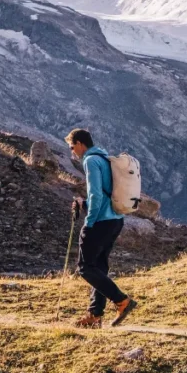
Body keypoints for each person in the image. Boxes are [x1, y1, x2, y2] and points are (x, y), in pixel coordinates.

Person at [65, 129, 137, 328]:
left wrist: (89, 222)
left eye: (72, 147)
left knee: (85, 267)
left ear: (80, 143)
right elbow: (105, 194)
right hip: (116, 220)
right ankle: (95, 315)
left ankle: (122, 301)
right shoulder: (105, 158)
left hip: (100, 222)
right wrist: (84, 202)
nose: (72, 152)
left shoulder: (90, 161)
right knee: (100, 268)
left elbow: (97, 195)